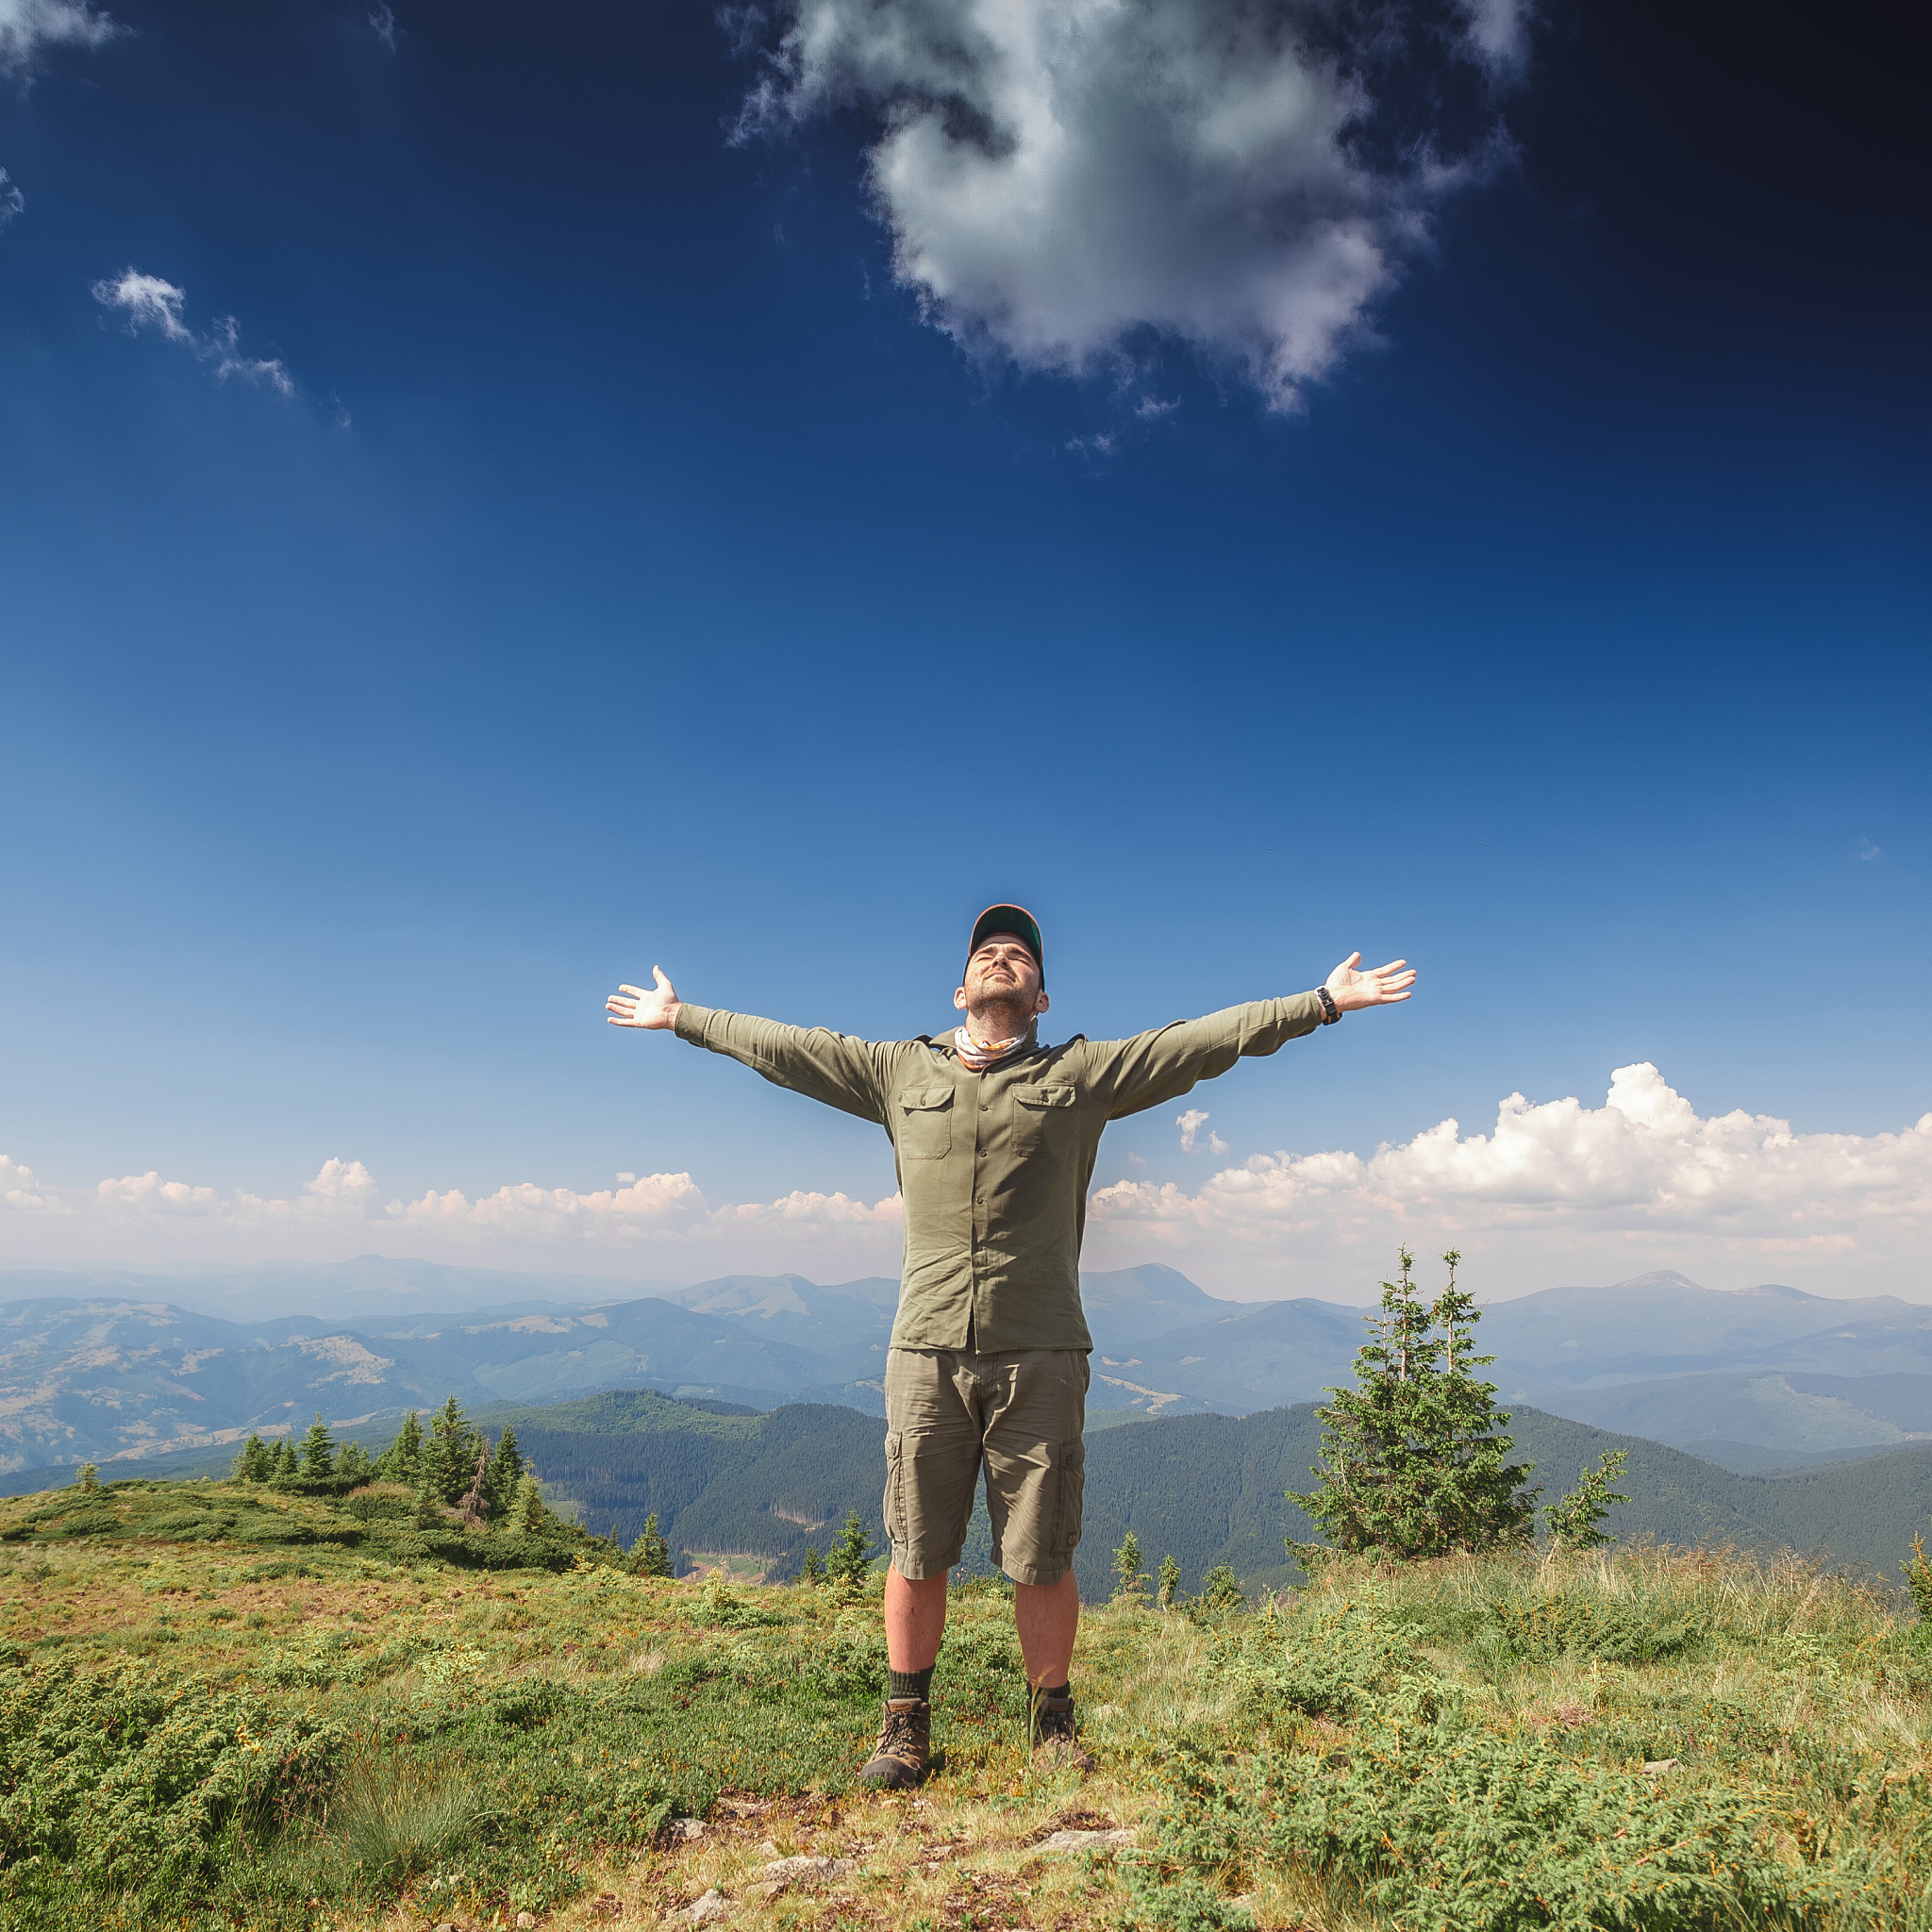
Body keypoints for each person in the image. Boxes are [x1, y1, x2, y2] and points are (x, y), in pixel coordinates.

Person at [606, 906, 1415, 1787]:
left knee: (1042, 1548)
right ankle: (904, 1725)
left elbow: (1203, 1043)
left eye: (1020, 956)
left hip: (1042, 1350)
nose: (1002, 959)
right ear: (961, 988)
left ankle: (1053, 1721)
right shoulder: (893, 1071)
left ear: (1039, 995)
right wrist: (683, 1018)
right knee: (916, 1545)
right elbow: (788, 1049)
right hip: (925, 1348)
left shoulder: (1084, 1073)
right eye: (987, 953)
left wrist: (1321, 1003)